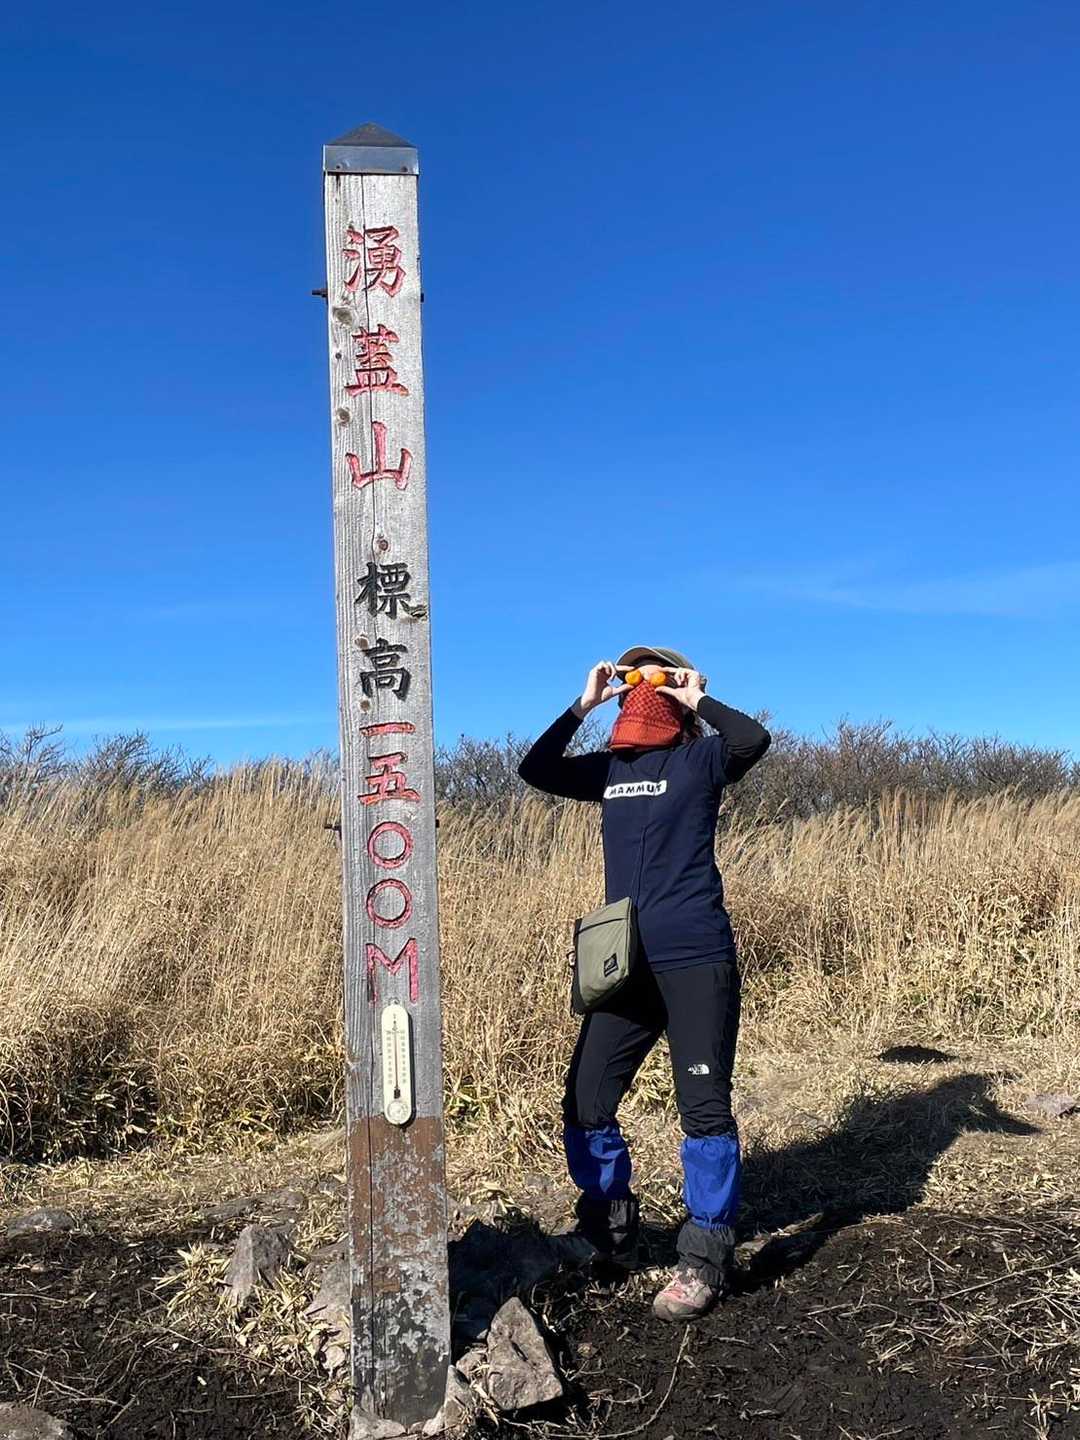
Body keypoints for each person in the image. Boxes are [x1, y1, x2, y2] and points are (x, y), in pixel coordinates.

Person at [517, 646, 770, 1321]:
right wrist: (585, 704)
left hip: (695, 959)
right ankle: (610, 1230)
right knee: (585, 1099)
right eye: (634, 678)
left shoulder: (702, 759)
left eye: (653, 676)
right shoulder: (612, 769)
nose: (642, 689)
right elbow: (535, 768)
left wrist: (695, 697)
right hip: (622, 961)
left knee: (704, 1110)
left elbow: (752, 739)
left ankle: (705, 1257)